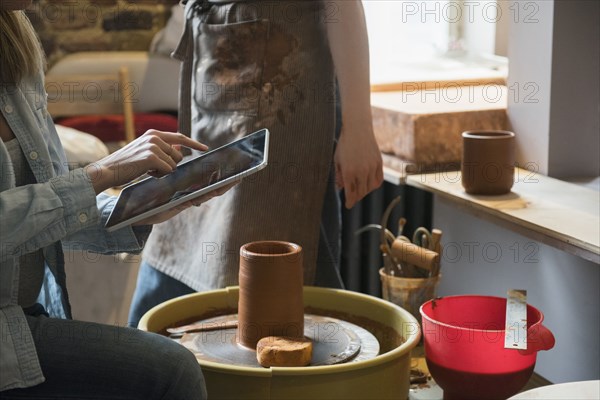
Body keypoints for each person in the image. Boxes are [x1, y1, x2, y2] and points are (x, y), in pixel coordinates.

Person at [0, 2, 227, 398]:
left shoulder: (15, 43)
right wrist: (101, 174)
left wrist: (140, 207)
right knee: (172, 369)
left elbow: (45, 213)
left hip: (19, 318)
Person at [128, 0, 383, 327]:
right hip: (214, 80)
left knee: (275, 298)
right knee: (169, 285)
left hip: (281, 106)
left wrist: (358, 126)